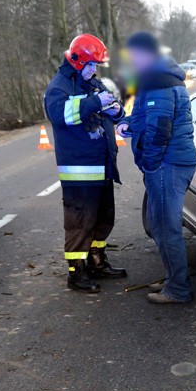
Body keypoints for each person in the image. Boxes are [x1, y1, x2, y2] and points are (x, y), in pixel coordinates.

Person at [116, 31, 196, 304]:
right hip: (171, 163)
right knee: (159, 224)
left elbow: (160, 128)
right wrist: (130, 123)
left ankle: (178, 289)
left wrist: (150, 164)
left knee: (166, 227)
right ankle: (174, 276)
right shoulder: (158, 78)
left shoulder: (158, 83)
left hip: (167, 165)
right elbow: (148, 116)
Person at [44, 34, 127, 294]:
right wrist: (94, 103)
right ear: (77, 61)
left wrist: (117, 113)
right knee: (80, 221)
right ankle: (76, 272)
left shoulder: (93, 82)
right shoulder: (59, 87)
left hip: (102, 164)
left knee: (103, 218)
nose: (94, 70)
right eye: (91, 65)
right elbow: (59, 114)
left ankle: (97, 260)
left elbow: (110, 104)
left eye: (96, 66)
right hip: (79, 169)